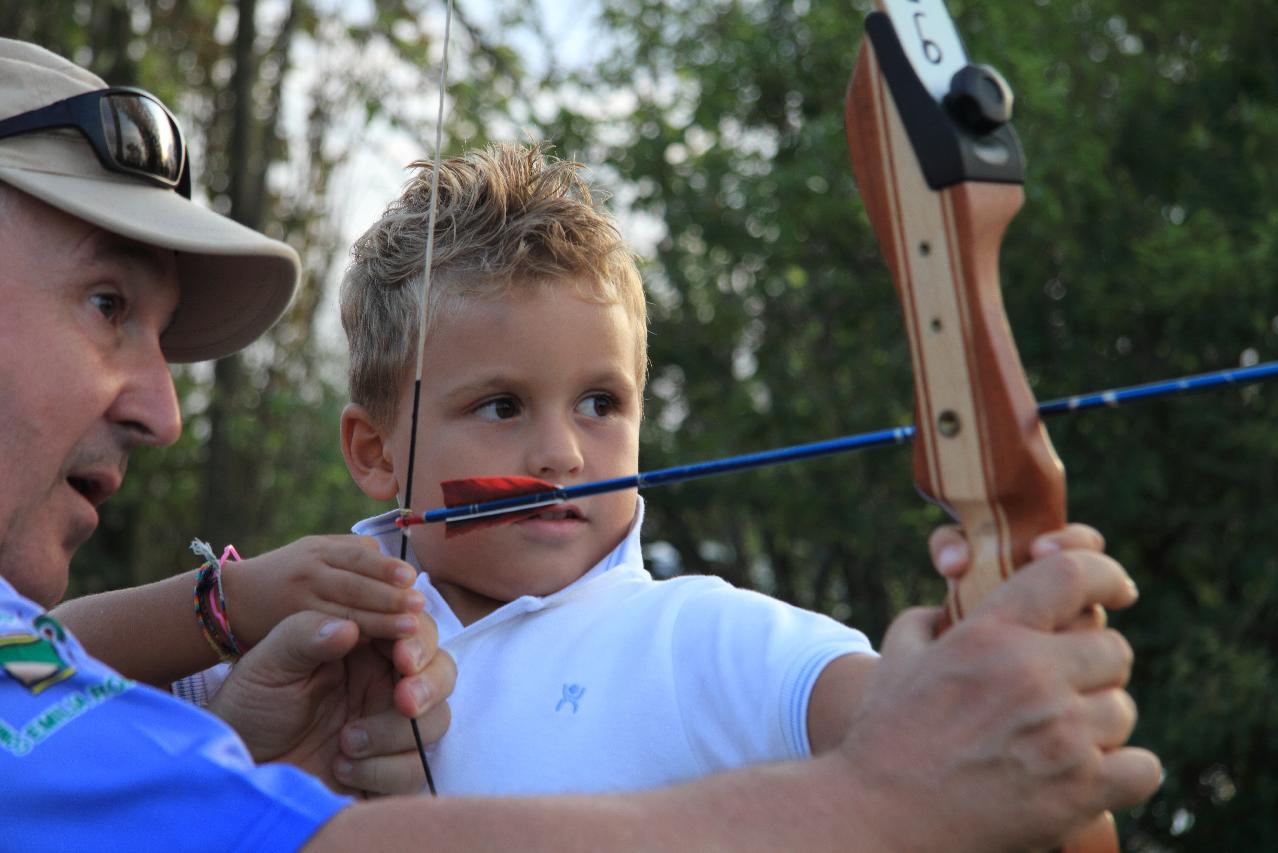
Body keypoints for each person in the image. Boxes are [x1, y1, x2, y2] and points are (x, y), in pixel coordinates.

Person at [0, 37, 1160, 851]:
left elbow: (901, 723)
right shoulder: (292, 643)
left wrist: (986, 646)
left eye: (601, 404)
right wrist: (228, 629)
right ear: (372, 448)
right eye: (500, 404)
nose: (560, 450)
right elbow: (54, 683)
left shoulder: (706, 635)